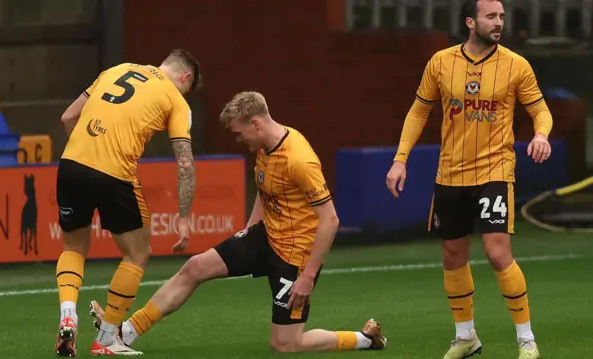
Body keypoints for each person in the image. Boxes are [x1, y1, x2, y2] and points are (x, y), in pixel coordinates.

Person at [89, 91, 388, 354]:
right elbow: (266, 191)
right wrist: (248, 231)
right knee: (195, 267)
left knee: (286, 345)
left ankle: (365, 339)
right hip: (266, 236)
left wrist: (307, 277)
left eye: (239, 132)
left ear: (256, 123)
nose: (238, 139)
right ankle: (125, 333)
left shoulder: (299, 160)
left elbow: (330, 220)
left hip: (294, 258)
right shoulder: (262, 147)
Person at [386, 1, 552, 359]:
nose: (499, 23)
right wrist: (400, 159)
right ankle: (466, 338)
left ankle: (526, 341)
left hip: (495, 169)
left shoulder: (515, 65)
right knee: (452, 255)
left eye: (502, 17)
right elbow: (419, 110)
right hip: (451, 172)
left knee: (497, 252)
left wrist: (541, 135)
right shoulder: (441, 62)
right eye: (491, 17)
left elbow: (540, 109)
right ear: (470, 21)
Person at [54, 49, 202, 357]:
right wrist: (184, 216)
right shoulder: (176, 100)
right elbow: (185, 163)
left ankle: (68, 312)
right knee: (138, 254)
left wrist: (85, 156)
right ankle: (108, 338)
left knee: (73, 249)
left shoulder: (115, 69)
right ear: (185, 77)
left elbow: (68, 116)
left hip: (70, 164)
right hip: (114, 173)